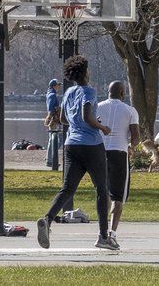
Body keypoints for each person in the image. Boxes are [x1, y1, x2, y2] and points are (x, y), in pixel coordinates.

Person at [36, 55, 118, 251]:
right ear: (85, 72)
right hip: (91, 145)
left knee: (68, 188)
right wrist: (102, 126)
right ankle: (103, 236)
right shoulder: (89, 91)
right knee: (101, 189)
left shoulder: (69, 92)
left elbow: (63, 119)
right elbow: (86, 116)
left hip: (71, 144)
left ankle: (47, 219)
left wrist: (82, 122)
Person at [97, 81, 140, 247]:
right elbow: (135, 137)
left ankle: (101, 231)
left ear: (108, 92)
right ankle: (112, 234)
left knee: (103, 192)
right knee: (118, 196)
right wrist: (131, 146)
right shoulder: (130, 110)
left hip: (99, 153)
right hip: (119, 153)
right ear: (122, 93)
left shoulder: (98, 107)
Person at [45, 78, 62, 168]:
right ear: (54, 86)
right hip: (54, 119)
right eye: (58, 85)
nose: (59, 87)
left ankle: (50, 159)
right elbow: (51, 108)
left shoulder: (50, 94)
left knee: (52, 139)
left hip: (52, 118)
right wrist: (53, 118)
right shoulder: (52, 95)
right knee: (54, 139)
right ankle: (50, 160)